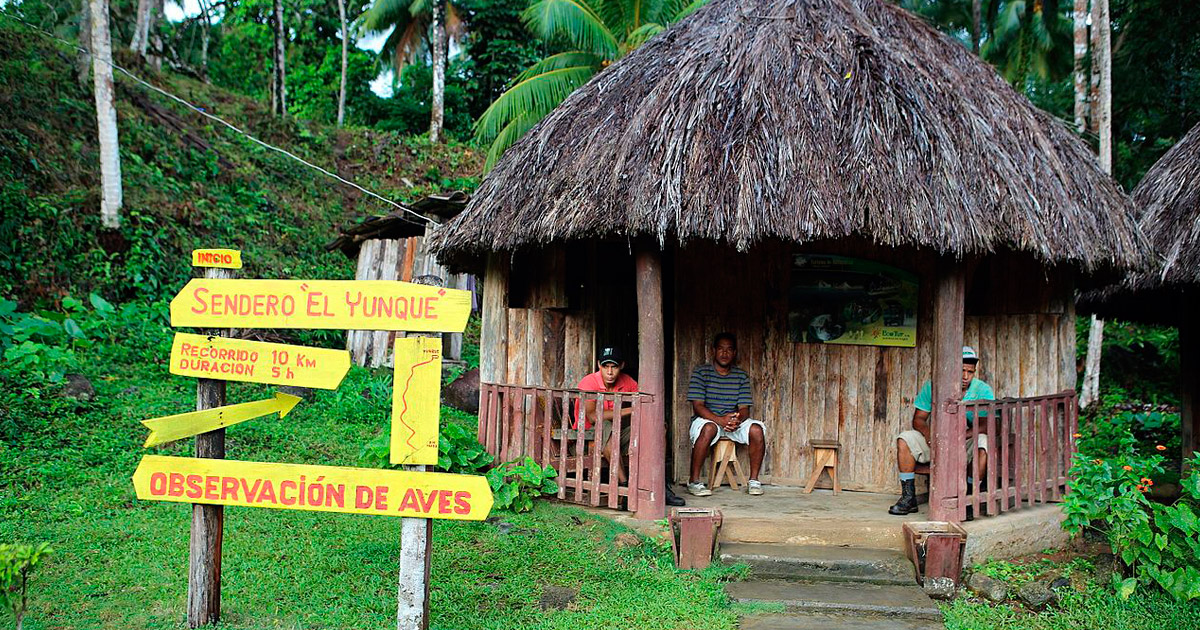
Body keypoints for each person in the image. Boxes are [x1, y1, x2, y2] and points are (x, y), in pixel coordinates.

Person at [888, 346, 995, 516]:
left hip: (965, 441)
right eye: (961, 370)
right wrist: (930, 436)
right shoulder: (934, 385)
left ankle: (966, 498)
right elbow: (919, 419)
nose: (965, 376)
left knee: (984, 443)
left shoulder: (982, 390)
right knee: (905, 439)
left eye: (970, 372)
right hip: (938, 441)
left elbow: (985, 425)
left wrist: (958, 437)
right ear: (952, 368)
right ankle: (908, 497)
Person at [575, 347, 685, 506]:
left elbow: (645, 402)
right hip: (587, 437)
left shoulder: (627, 381)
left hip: (615, 435)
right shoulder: (589, 382)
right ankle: (626, 487)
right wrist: (631, 409)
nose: (610, 372)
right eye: (606, 366)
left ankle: (660, 485)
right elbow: (593, 417)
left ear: (622, 366)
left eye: (614, 366)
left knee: (658, 428)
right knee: (604, 425)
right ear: (599, 365)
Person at [685, 332, 767, 496]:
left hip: (731, 420)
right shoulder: (701, 373)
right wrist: (720, 420)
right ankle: (694, 482)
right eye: (721, 349)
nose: (725, 353)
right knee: (709, 428)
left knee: (757, 429)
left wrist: (736, 420)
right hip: (708, 419)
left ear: (734, 353)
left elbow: (744, 408)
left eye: (729, 349)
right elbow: (698, 406)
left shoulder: (741, 376)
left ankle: (754, 481)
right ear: (713, 351)